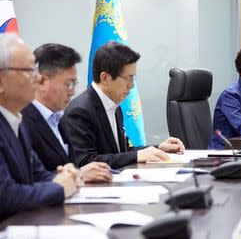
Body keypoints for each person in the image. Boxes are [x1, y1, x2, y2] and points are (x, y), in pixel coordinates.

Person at [62, 41, 185, 169]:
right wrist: (137, 156)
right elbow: (85, 162)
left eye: (133, 79)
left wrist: (158, 148)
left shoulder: (115, 105)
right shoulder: (80, 111)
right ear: (105, 78)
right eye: (129, 78)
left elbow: (123, 150)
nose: (131, 85)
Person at [0, 33, 80, 221]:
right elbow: (5, 196)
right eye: (29, 71)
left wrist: (68, 175)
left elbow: (39, 174)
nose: (37, 79)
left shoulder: (16, 120)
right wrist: (59, 188)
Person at [22, 44, 112, 183]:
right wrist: (79, 174)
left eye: (74, 84)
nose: (72, 91)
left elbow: (69, 165)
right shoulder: (22, 120)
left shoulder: (59, 118)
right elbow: (28, 178)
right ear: (42, 81)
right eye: (68, 84)